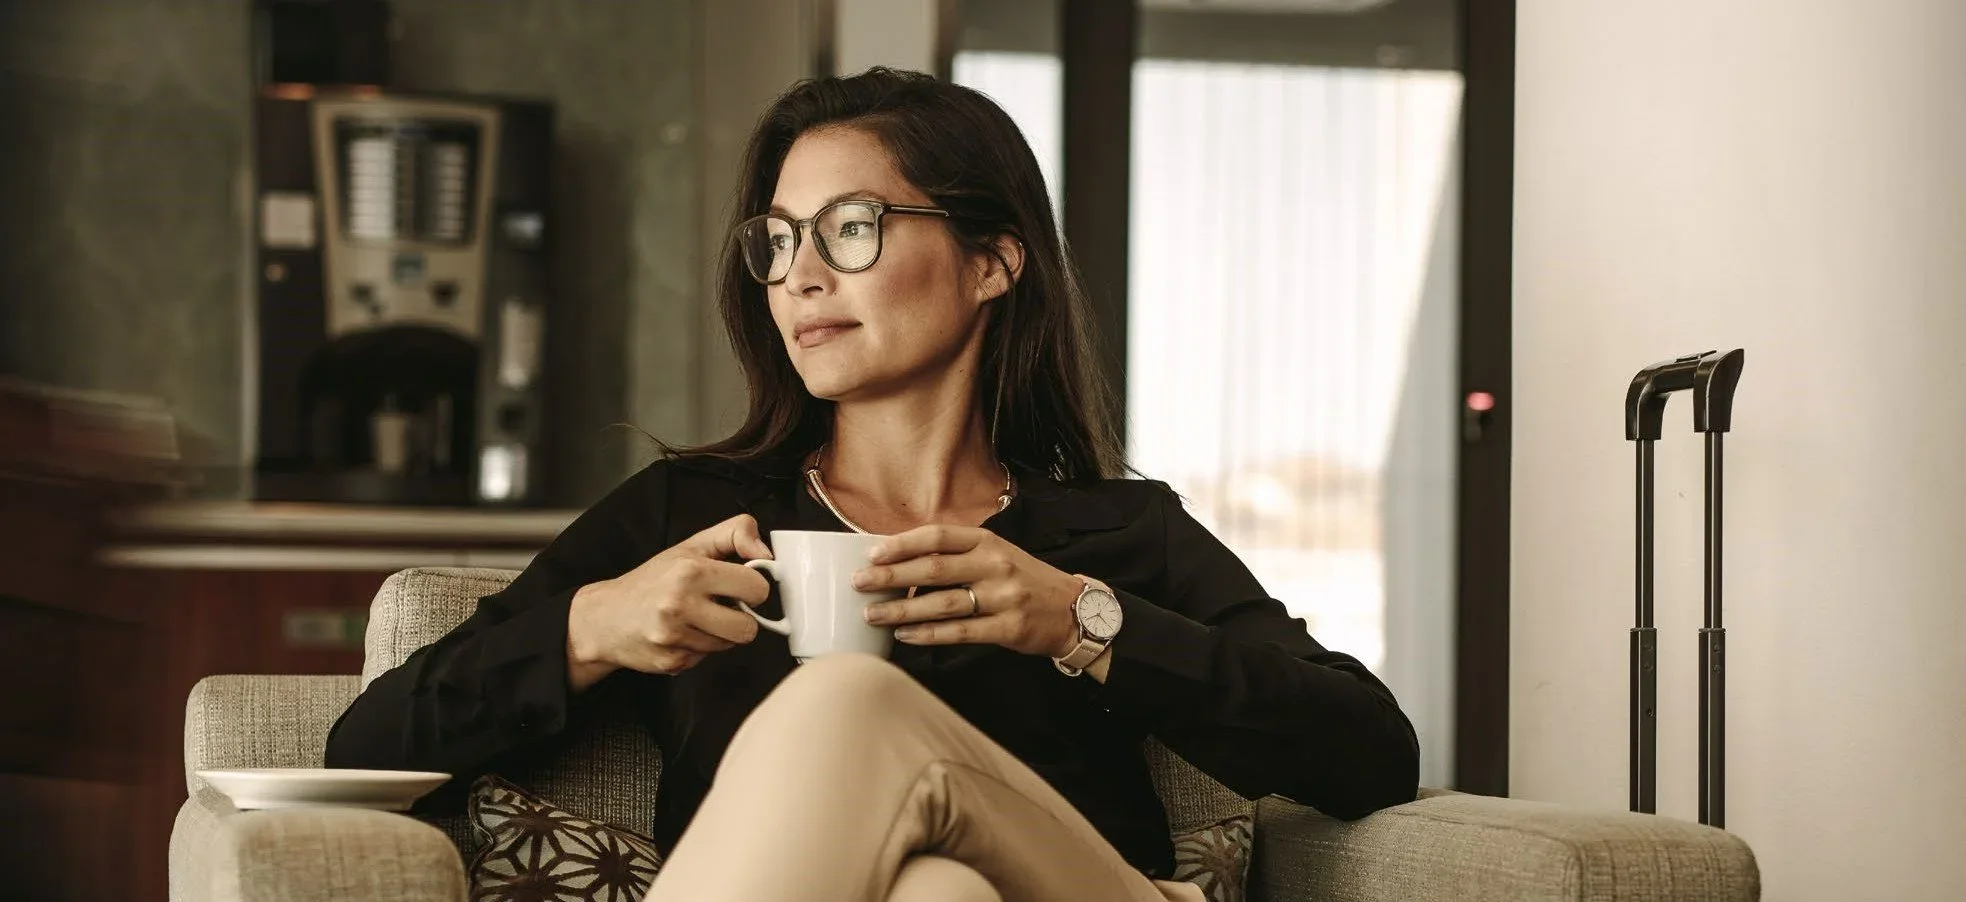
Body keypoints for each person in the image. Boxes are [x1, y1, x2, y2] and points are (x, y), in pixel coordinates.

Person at [324, 66, 1418, 902]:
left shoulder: (1115, 533)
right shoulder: (691, 516)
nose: (799, 273)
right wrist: (594, 624)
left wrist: (1077, 620)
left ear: (992, 260)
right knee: (937, 891)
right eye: (781, 239)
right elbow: (362, 747)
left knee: (848, 695)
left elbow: (1369, 751)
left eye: (852, 228)